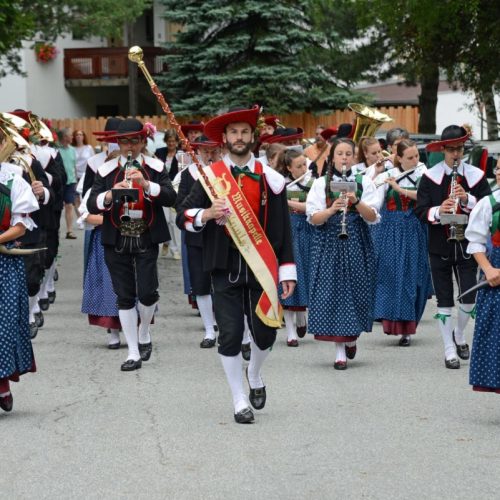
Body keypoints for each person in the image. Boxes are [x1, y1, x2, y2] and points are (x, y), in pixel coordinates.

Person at [176, 105, 296, 424]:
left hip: (263, 268)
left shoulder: (271, 179)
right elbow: (182, 216)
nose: (239, 137)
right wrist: (206, 214)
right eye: (233, 132)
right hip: (223, 265)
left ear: (253, 137)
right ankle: (238, 397)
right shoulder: (210, 178)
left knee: (265, 334)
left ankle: (254, 373)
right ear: (224, 138)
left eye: (244, 132)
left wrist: (287, 270)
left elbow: (283, 229)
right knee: (229, 334)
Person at [88, 118, 177, 371]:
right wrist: (109, 193)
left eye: (135, 141)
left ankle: (145, 332)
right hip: (116, 236)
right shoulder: (105, 170)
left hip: (146, 234)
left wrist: (147, 185)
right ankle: (133, 352)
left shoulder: (156, 167)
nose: (130, 146)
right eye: (125, 141)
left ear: (142, 142)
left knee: (148, 293)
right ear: (118, 142)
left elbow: (172, 197)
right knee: (124, 296)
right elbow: (91, 203)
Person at [415, 125, 491, 369]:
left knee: (470, 296)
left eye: (459, 149)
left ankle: (459, 334)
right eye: (451, 150)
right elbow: (420, 210)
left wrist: (467, 199)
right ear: (443, 151)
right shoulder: (430, 177)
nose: (456, 154)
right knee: (445, 299)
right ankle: (449, 348)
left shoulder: (476, 176)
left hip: (468, 243)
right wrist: (441, 209)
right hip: (440, 242)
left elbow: (489, 206)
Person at [306, 138, 381, 369]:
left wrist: (356, 200)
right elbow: (313, 218)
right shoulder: (321, 183)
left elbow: (372, 217)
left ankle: (351, 337)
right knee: (331, 291)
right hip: (328, 242)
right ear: (333, 157)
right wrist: (331, 209)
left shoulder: (364, 181)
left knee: (357, 290)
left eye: (349, 153)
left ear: (354, 157)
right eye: (340, 153)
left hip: (356, 241)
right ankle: (339, 349)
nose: (344, 158)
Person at [372, 139, 432, 346]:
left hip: (414, 228)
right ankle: (392, 323)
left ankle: (408, 328)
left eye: (417, 156)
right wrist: (374, 174)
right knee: (390, 275)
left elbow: (426, 197)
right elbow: (373, 202)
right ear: (398, 158)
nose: (415, 160)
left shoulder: (423, 174)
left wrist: (399, 189)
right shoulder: (386, 176)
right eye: (410, 157)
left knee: (412, 276)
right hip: (390, 229)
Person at [0, 138, 40, 413]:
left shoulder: (13, 178)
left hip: (4, 263)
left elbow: (21, 226)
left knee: (4, 324)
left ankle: (2, 384)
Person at [175, 135, 221, 348]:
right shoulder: (188, 175)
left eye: (213, 151)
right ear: (198, 152)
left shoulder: (225, 172)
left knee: (223, 281)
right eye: (205, 151)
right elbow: (181, 207)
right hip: (198, 234)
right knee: (201, 284)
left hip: (223, 234)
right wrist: (203, 213)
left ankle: (226, 323)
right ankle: (209, 329)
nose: (209, 155)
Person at [465, 163, 500, 393]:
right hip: (495, 273)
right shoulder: (489, 203)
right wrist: (488, 269)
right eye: (498, 168)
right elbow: (476, 241)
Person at [277, 149, 314, 346]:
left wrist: (287, 201)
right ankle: (290, 330)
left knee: (306, 275)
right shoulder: (281, 185)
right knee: (287, 276)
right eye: (298, 166)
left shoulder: (313, 184)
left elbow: (313, 208)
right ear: (289, 168)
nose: (303, 169)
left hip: (308, 231)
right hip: (288, 231)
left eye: (304, 165)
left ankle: (302, 316)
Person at [156, 130, 182, 259]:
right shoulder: (160, 152)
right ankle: (166, 241)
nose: (171, 143)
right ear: (166, 141)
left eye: (173, 141)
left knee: (173, 221)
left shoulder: (181, 154)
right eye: (169, 141)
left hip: (176, 190)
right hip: (162, 189)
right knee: (165, 220)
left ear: (177, 142)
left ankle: (174, 249)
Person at [58, 128, 78, 239]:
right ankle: (55, 229)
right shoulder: (56, 150)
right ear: (65, 137)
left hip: (71, 181)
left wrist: (76, 181)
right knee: (58, 206)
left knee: (69, 205)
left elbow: (74, 166)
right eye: (70, 135)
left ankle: (69, 231)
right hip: (59, 183)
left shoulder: (72, 150)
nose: (72, 137)